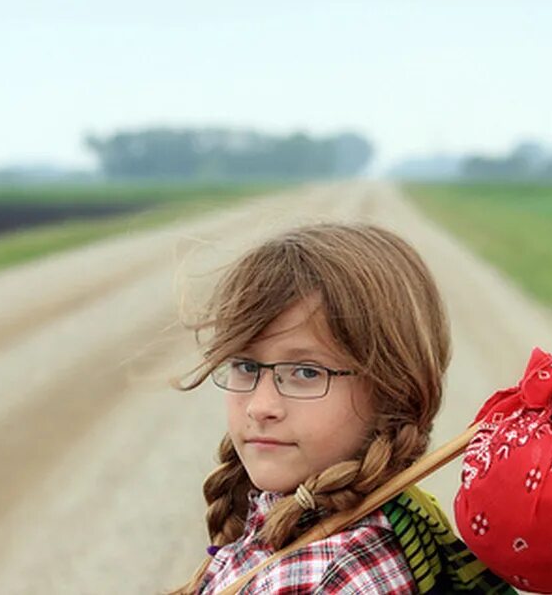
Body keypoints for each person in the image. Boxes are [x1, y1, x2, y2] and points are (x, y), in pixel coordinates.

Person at [168, 222, 515, 595]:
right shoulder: (332, 525)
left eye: (306, 372)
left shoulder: (334, 575)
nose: (261, 406)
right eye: (245, 366)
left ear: (391, 390)